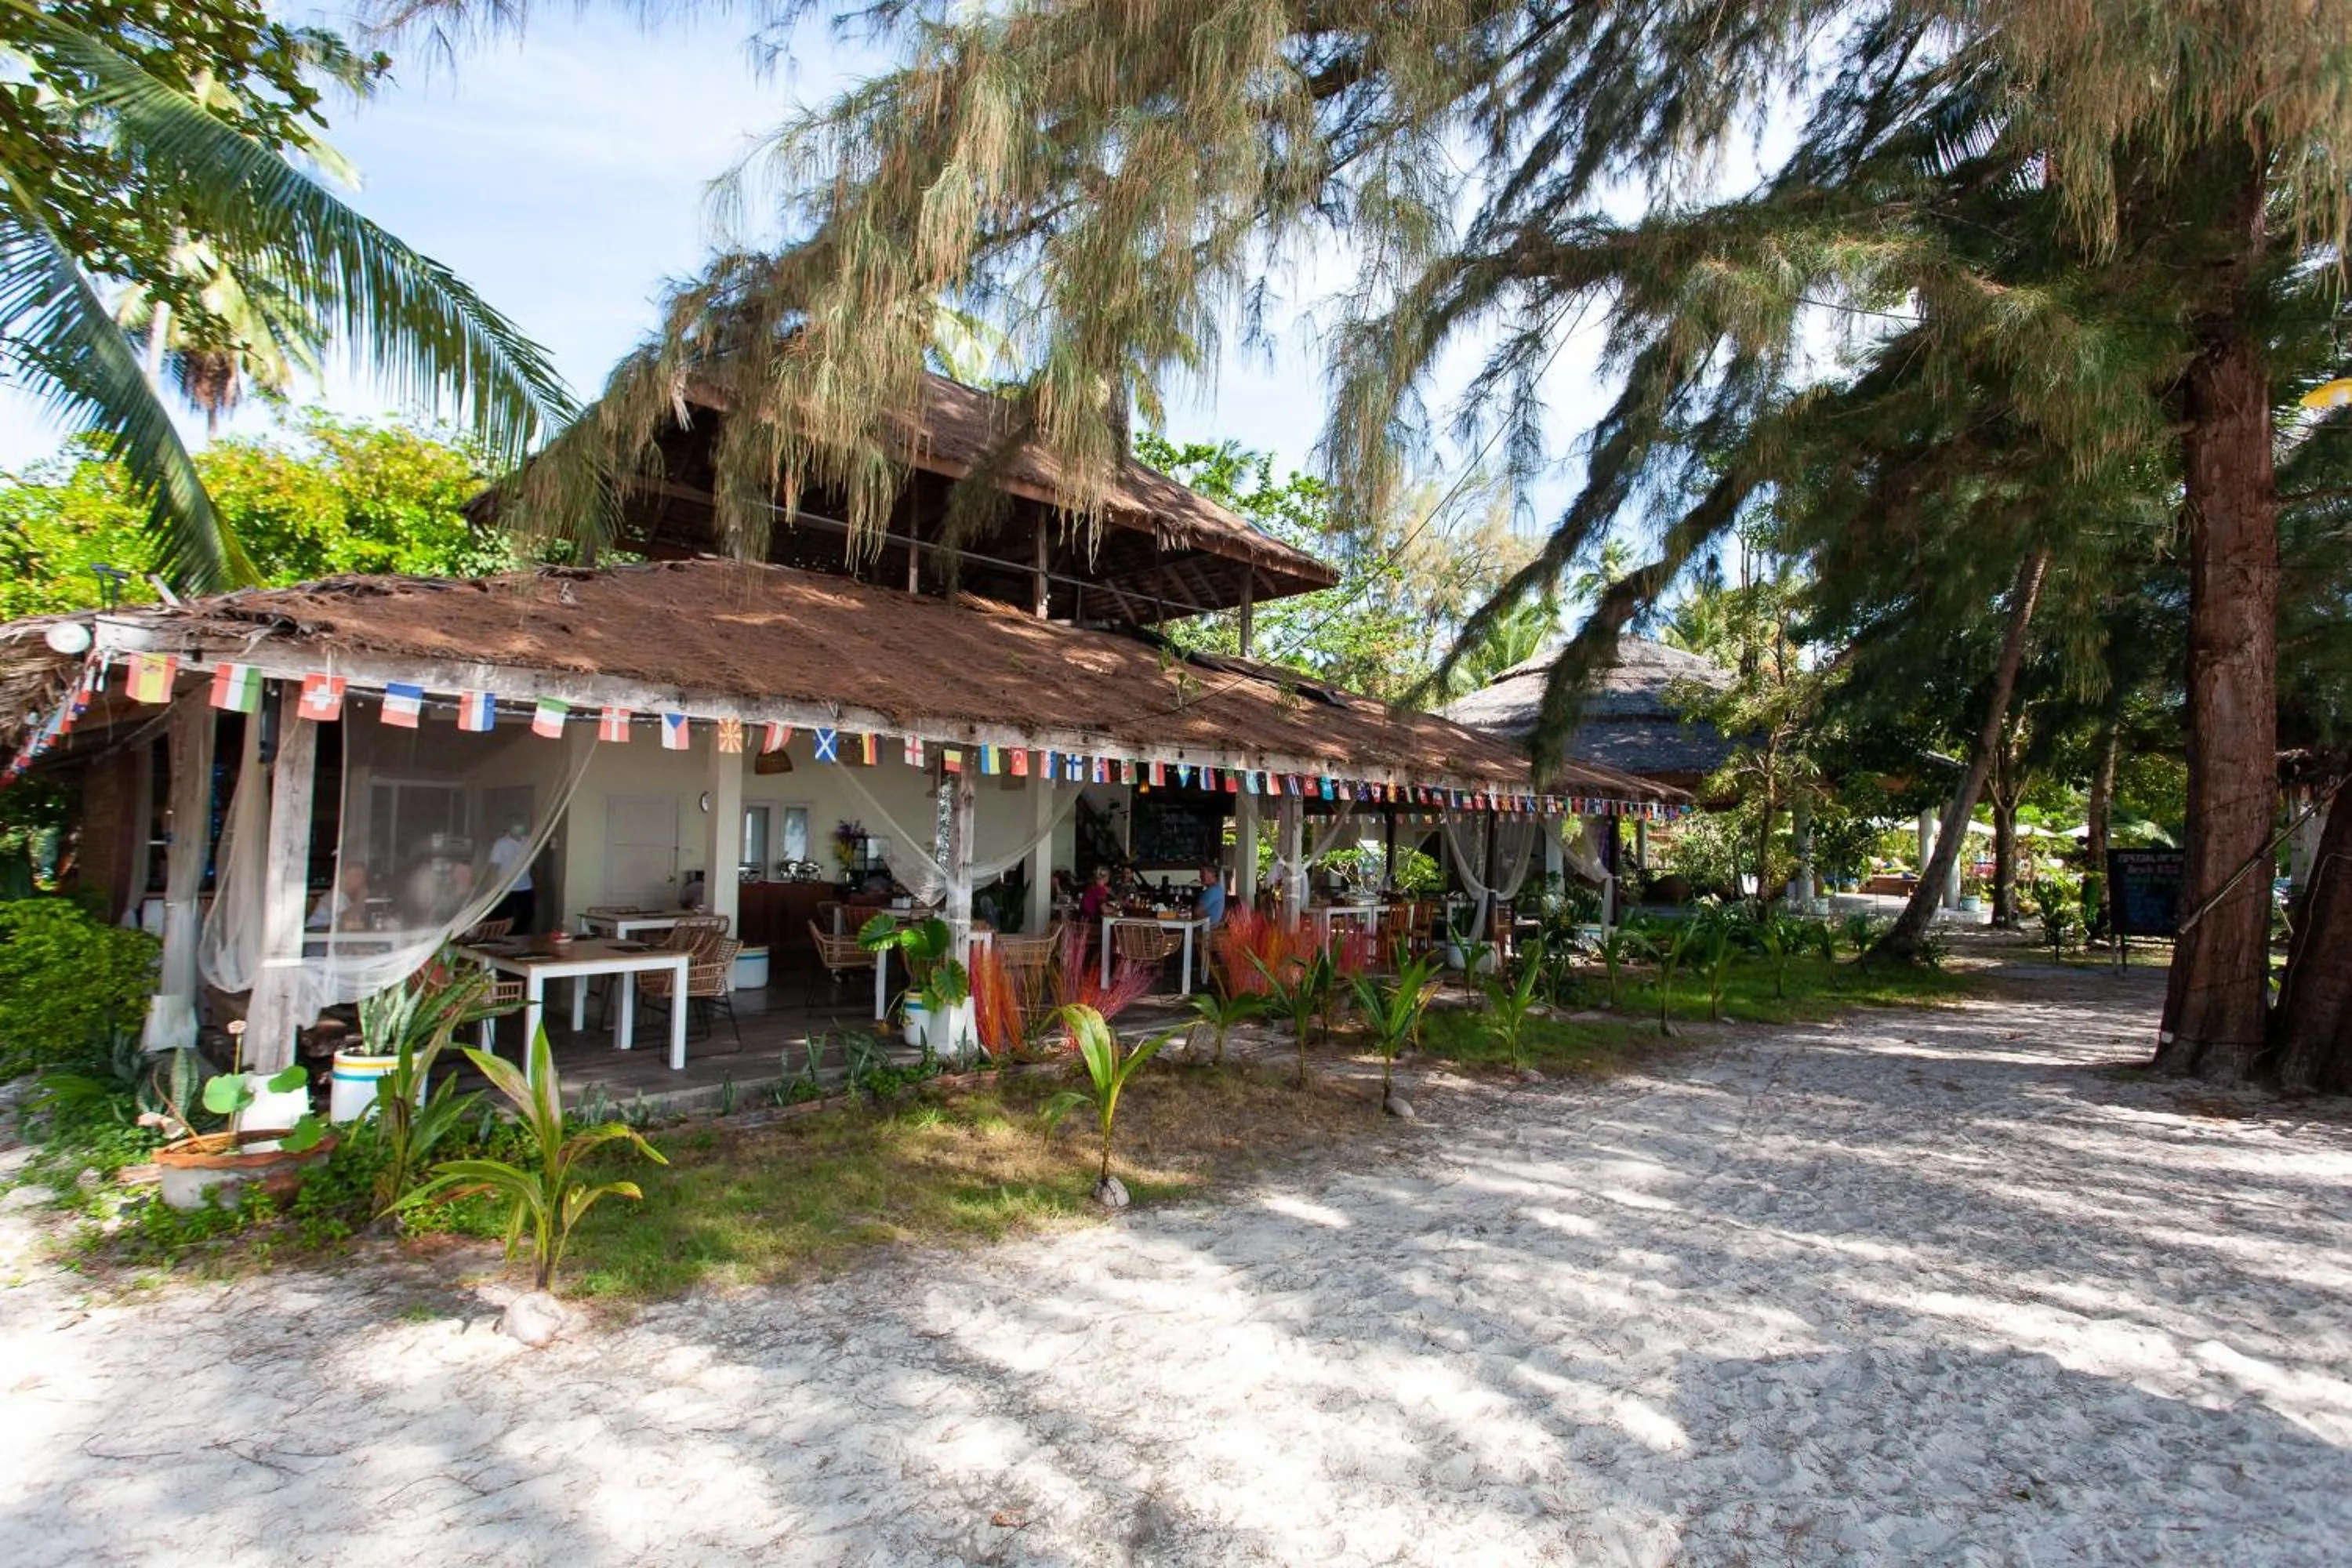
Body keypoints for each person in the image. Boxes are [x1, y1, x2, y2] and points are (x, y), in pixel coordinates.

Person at [488, 821, 536, 933]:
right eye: (515, 824)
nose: (518, 828)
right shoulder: (500, 844)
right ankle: (504, 942)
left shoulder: (528, 841)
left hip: (525, 886)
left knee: (527, 916)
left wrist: (536, 882)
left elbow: (532, 863)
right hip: (506, 888)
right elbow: (494, 868)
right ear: (509, 827)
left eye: (520, 824)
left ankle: (520, 940)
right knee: (503, 918)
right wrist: (493, 890)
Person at [306, 862, 370, 931]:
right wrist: (361, 899)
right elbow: (348, 920)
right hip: (317, 935)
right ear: (346, 878)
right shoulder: (337, 896)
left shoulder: (349, 896)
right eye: (357, 875)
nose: (362, 879)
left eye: (363, 876)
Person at [1197, 862, 1227, 927]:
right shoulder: (1218, 889)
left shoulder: (1213, 891)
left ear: (1212, 874)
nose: (1200, 876)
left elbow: (1196, 912)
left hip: (1207, 930)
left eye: (1203, 873)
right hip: (1210, 927)